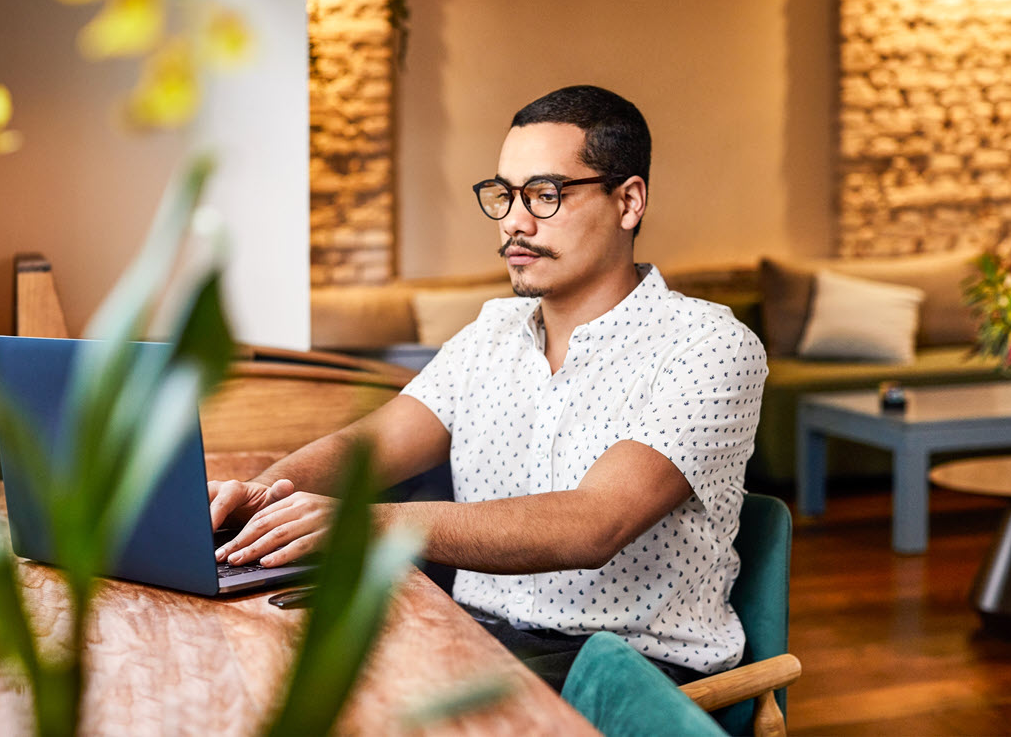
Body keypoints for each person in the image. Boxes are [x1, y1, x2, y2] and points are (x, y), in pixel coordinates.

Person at [210, 84, 767, 690]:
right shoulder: (491, 331)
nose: (513, 222)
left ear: (628, 201)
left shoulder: (710, 345)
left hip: (631, 671)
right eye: (503, 195)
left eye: (545, 195)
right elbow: (373, 446)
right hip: (476, 638)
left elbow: (594, 524)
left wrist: (369, 522)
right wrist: (258, 497)